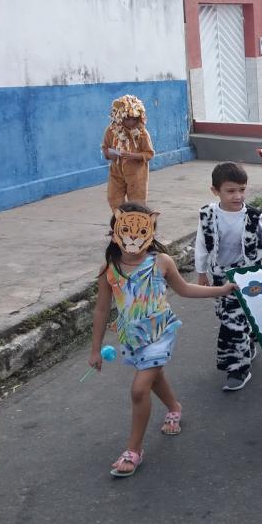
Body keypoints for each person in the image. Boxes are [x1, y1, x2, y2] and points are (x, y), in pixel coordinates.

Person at [90, 202, 236, 477]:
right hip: (132, 337)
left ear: (151, 232)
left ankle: (134, 450)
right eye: (126, 230)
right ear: (114, 233)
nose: (133, 238)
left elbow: (185, 289)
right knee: (153, 377)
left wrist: (221, 290)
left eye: (141, 231)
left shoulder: (160, 262)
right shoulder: (109, 269)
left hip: (161, 333)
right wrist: (95, 350)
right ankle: (174, 407)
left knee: (139, 389)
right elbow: (100, 310)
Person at [195, 163, 262, 391]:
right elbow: (202, 245)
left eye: (242, 189)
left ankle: (237, 368)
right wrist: (201, 274)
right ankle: (248, 341)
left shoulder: (252, 216)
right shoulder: (208, 215)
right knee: (228, 316)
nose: (238, 196)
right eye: (231, 191)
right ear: (215, 191)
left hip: (247, 277)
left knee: (232, 323)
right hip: (220, 277)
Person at [102, 95, 155, 210]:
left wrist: (134, 156)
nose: (131, 122)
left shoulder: (142, 133)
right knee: (113, 198)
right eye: (127, 119)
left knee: (137, 202)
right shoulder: (111, 131)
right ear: (120, 117)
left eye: (134, 119)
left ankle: (135, 224)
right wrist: (108, 154)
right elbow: (105, 148)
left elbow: (149, 153)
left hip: (137, 174)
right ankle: (119, 223)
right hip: (116, 173)